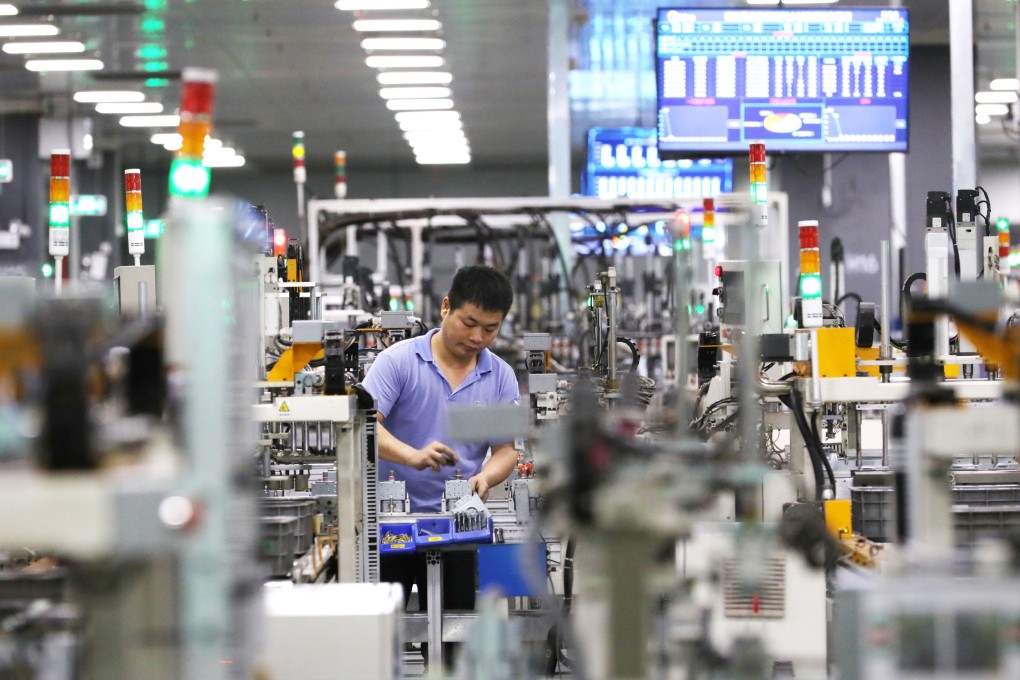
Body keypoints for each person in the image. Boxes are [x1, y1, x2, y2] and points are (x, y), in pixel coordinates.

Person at [362, 265, 520, 651]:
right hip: (391, 531)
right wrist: (412, 456)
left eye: (491, 328)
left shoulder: (500, 376)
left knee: (454, 642)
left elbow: (506, 450)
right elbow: (366, 428)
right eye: (470, 323)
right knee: (383, 645)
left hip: (457, 532)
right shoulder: (397, 362)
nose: (478, 337)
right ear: (446, 307)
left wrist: (486, 477)